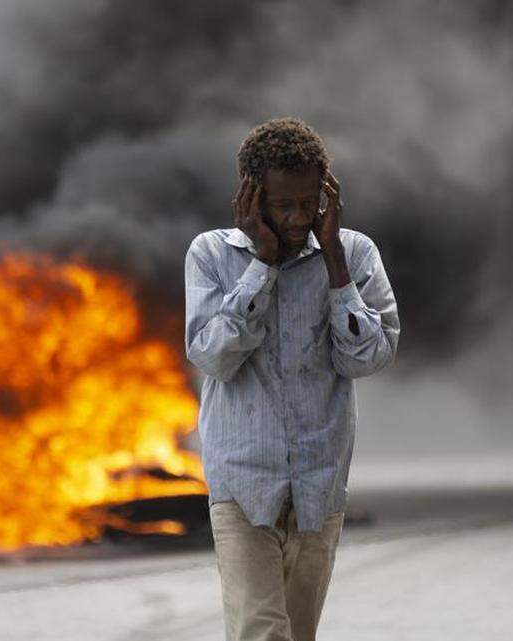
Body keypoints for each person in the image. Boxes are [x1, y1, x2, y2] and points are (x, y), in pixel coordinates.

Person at [183, 116, 400, 641]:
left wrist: (335, 268)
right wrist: (263, 265)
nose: (299, 217)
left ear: (327, 195)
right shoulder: (212, 255)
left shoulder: (353, 254)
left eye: (309, 202)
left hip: (318, 488)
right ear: (251, 198)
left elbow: (370, 356)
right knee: (262, 631)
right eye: (283, 205)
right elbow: (212, 356)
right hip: (242, 488)